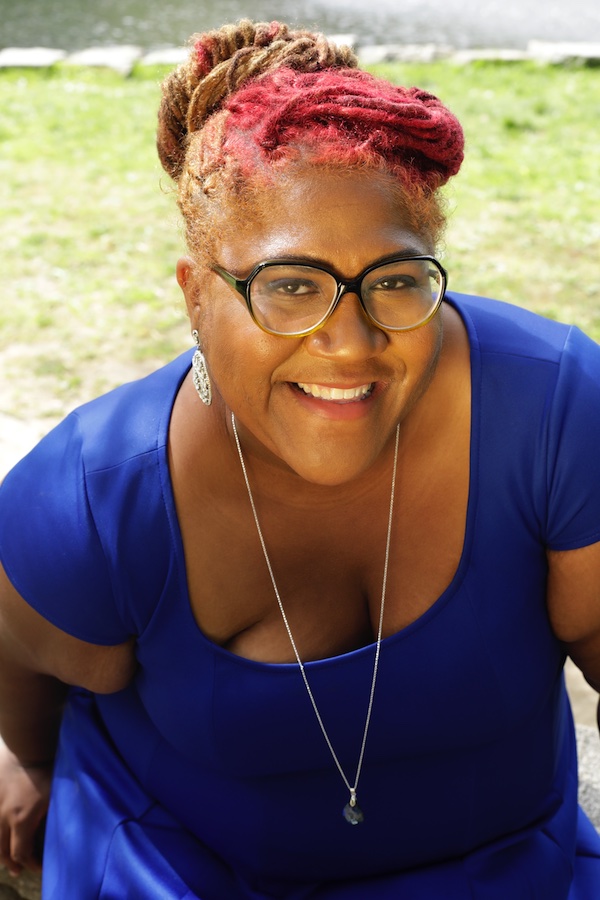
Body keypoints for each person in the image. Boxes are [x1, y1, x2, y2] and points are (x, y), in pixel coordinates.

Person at [0, 18, 599, 899]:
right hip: (189, 871)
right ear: (198, 294)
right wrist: (33, 770)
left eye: (395, 280)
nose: (349, 343)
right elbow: (27, 672)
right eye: (291, 287)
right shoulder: (95, 499)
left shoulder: (552, 409)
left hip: (502, 872)